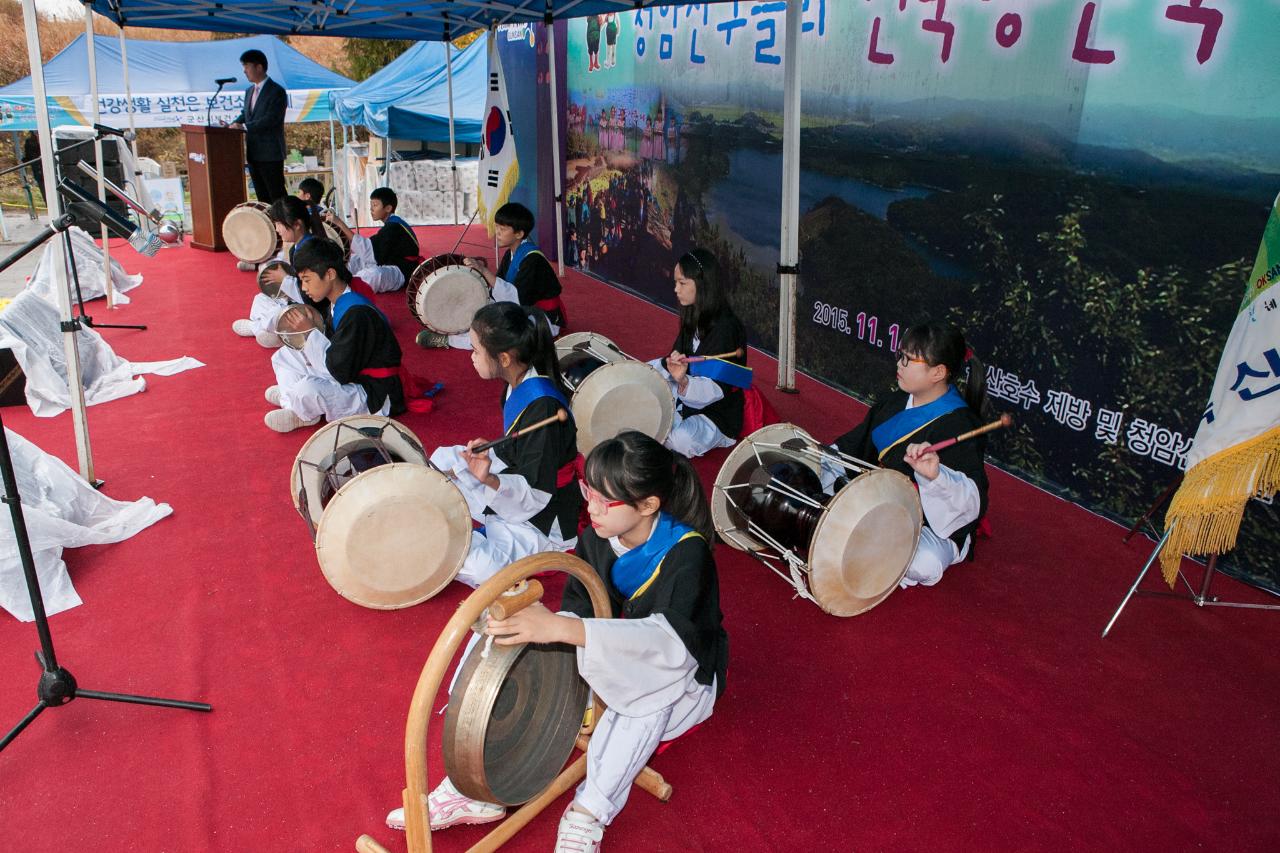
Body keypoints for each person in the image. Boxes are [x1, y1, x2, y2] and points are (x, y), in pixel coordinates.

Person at [386, 431, 727, 851]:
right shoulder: (596, 537)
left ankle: (589, 811)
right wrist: (537, 626)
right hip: (608, 654)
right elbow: (580, 610)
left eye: (605, 500)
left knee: (646, 693)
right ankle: (478, 787)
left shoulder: (687, 554)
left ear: (648, 505)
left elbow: (669, 650)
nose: (591, 507)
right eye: (589, 491)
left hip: (682, 682)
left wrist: (563, 630)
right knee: (513, 634)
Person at [825, 322, 991, 588]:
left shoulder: (961, 424)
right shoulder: (893, 403)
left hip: (928, 522)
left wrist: (936, 477)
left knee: (924, 561)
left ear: (938, 372)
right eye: (899, 356)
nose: (899, 365)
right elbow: (853, 447)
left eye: (908, 359)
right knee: (819, 472)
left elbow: (972, 501)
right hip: (878, 501)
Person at [426, 302, 580, 587]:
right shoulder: (518, 384)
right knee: (444, 460)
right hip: (518, 487)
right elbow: (523, 448)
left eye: (475, 350)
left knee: (475, 564)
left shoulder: (543, 406)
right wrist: (497, 449)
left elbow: (537, 491)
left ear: (505, 358)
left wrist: (491, 479)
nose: (471, 357)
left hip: (542, 518)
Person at [263, 238, 406, 433]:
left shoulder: (356, 312)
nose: (304, 288)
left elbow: (337, 371)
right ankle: (292, 402)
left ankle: (300, 410)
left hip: (373, 392)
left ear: (329, 274)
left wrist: (310, 333)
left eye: (307, 280)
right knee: (284, 356)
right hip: (346, 371)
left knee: (307, 389)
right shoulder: (336, 301)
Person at [418, 202, 565, 350]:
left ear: (519, 234)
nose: (497, 233)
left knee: (494, 333)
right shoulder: (511, 253)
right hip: (520, 307)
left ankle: (448, 341)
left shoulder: (533, 259)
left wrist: (483, 270)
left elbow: (518, 299)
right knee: (480, 311)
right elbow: (500, 286)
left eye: (503, 229)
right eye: (496, 227)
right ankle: (458, 333)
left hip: (542, 318)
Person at [647, 249, 749, 458]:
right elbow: (674, 360)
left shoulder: (726, 329)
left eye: (682, 283)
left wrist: (683, 381)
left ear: (702, 284)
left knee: (679, 439)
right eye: (676, 282)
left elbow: (716, 390)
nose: (676, 289)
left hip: (717, 412)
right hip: (688, 397)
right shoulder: (693, 313)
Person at [232, 196, 325, 347]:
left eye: (278, 224)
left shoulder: (312, 250)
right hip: (298, 299)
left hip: (314, 310)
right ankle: (271, 330)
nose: (276, 229)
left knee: (278, 312)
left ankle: (262, 329)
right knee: (261, 299)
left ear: (297, 224)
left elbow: (313, 295)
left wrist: (285, 279)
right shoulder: (298, 247)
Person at [324, 187, 420, 294]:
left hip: (402, 271)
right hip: (388, 262)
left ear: (388, 208)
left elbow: (369, 252)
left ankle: (343, 289)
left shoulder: (394, 226)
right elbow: (371, 251)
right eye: (371, 205)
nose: (371, 209)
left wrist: (340, 224)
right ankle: (337, 278)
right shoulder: (392, 224)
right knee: (354, 259)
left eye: (375, 205)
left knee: (373, 275)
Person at [230, 49, 287, 207]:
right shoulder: (249, 91)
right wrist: (232, 125)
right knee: (262, 198)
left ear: (259, 67)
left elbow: (271, 119)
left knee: (276, 195)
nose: (244, 71)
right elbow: (246, 114)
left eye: (247, 66)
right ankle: (268, 228)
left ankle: (285, 227)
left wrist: (244, 126)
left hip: (271, 153)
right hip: (254, 154)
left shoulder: (277, 91)